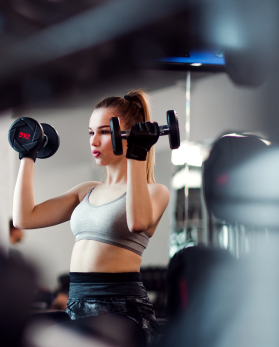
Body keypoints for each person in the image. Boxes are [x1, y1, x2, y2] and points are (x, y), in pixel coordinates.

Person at [12, 90, 169, 345]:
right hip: (77, 306)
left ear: (131, 134)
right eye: (90, 132)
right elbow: (24, 218)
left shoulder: (155, 192)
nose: (94, 141)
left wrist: (137, 155)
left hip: (121, 311)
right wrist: (28, 154)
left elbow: (138, 222)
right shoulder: (86, 190)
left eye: (104, 132)